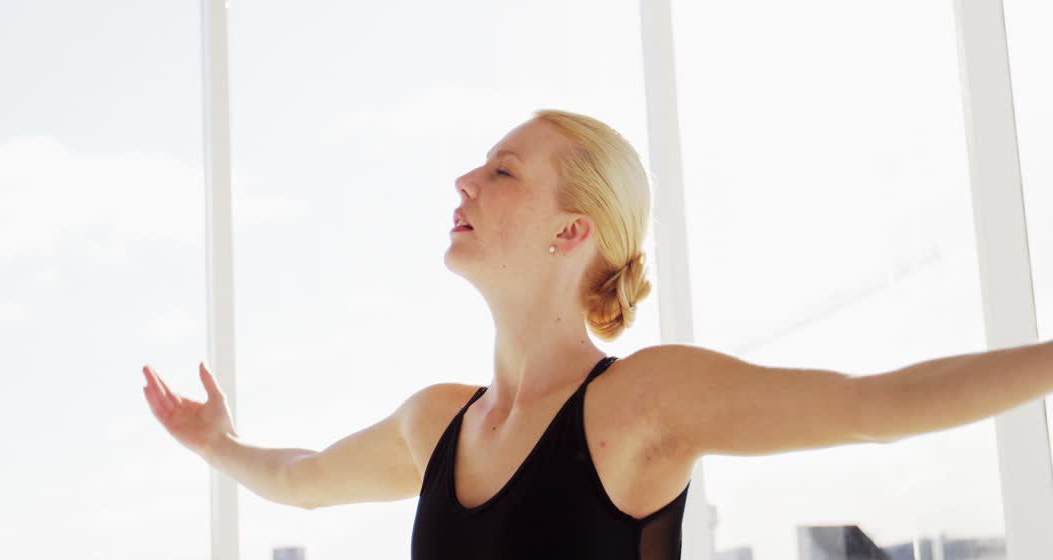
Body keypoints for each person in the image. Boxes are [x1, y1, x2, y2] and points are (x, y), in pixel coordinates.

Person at [142, 109, 1053, 559]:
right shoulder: (436, 426)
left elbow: (871, 407)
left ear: (570, 232)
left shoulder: (642, 405)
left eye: (502, 171)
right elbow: (300, 483)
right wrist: (219, 443)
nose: (463, 180)